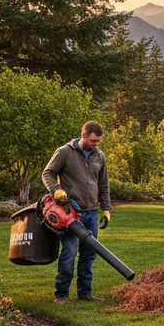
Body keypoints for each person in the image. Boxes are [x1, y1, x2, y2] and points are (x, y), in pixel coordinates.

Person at [42, 121, 112, 303]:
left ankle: (85, 293)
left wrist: (106, 209)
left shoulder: (99, 156)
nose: (95, 144)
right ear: (83, 134)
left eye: (98, 141)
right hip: (70, 214)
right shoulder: (65, 152)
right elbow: (47, 173)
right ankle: (61, 294)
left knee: (89, 254)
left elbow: (103, 184)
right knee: (70, 253)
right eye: (92, 140)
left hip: (91, 213)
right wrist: (56, 189)